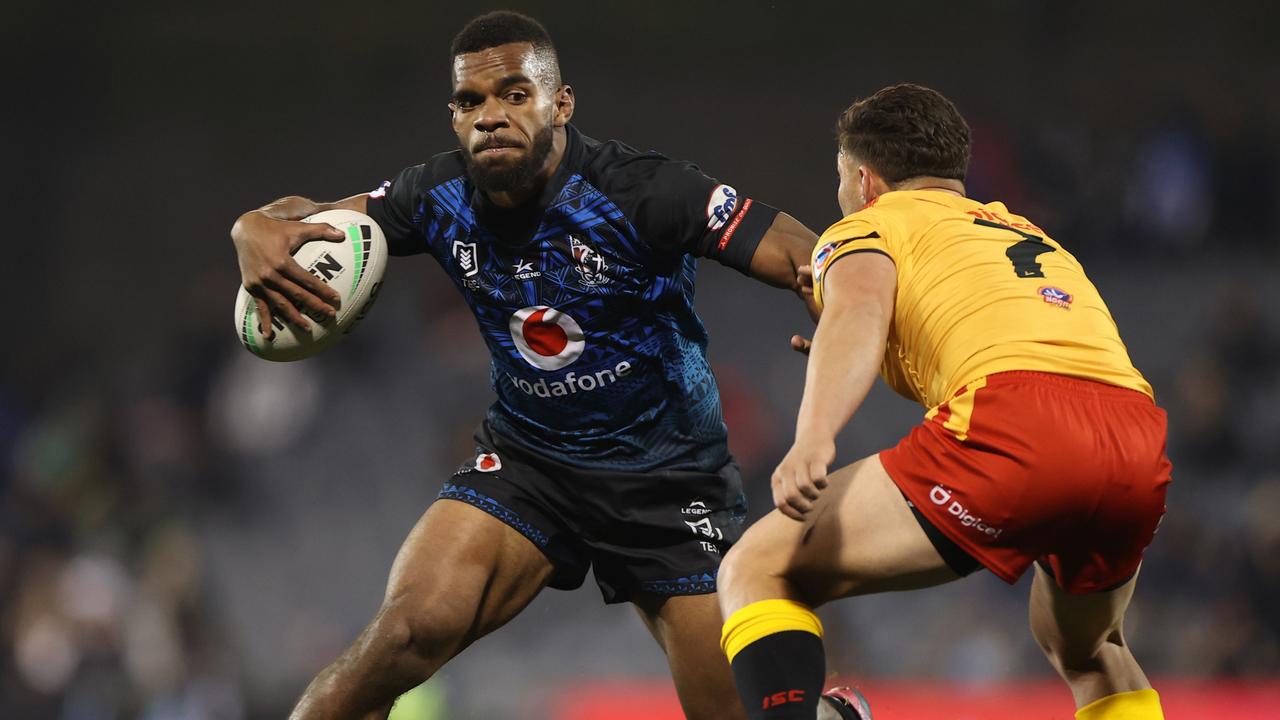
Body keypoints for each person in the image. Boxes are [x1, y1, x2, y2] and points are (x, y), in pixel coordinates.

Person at [230, 11, 819, 720]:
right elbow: (305, 219)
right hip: (530, 467)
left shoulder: (644, 190)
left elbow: (804, 256)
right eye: (470, 102)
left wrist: (844, 314)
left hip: (668, 485)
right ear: (452, 116)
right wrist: (251, 227)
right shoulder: (435, 196)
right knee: (403, 636)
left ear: (560, 103)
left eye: (514, 94)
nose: (490, 116)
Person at [717, 84, 1171, 720]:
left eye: (842, 179)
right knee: (1088, 648)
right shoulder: (1022, 231)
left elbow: (861, 309)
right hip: (1133, 438)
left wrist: (814, 434)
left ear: (864, 177)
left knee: (757, 567)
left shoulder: (870, 224)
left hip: (1019, 422)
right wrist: (857, 350)